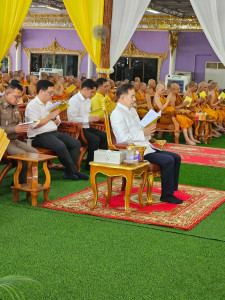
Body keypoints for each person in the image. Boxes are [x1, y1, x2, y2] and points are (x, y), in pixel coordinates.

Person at [110, 83, 182, 204]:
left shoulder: (132, 110)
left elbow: (139, 128)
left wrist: (148, 133)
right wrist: (143, 132)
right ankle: (166, 195)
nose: (134, 99)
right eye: (132, 97)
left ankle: (171, 190)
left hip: (144, 146)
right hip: (131, 152)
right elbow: (122, 138)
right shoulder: (117, 113)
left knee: (176, 157)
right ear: (122, 98)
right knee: (168, 160)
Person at [25, 80, 88, 181]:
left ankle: (69, 173)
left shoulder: (50, 103)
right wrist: (50, 117)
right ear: (41, 91)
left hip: (53, 132)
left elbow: (57, 121)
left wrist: (52, 118)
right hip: (38, 135)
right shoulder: (32, 105)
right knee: (60, 145)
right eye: (50, 93)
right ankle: (74, 171)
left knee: (75, 143)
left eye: (52, 92)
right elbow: (35, 125)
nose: (52, 95)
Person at [0, 82, 38, 183]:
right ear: (7, 94)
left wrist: (21, 125)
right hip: (3, 142)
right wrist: (14, 129)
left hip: (14, 140)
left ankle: (22, 180)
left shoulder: (15, 105)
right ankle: (19, 183)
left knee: (35, 153)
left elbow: (16, 123)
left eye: (19, 98)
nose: (18, 100)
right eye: (16, 97)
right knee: (24, 156)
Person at [67, 79, 108, 170]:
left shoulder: (88, 100)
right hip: (77, 129)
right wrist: (88, 119)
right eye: (92, 92)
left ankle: (101, 162)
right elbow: (72, 119)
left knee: (104, 136)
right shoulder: (74, 101)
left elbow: (87, 115)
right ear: (85, 89)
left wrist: (92, 118)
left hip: (86, 126)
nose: (92, 95)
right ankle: (90, 166)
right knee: (95, 139)